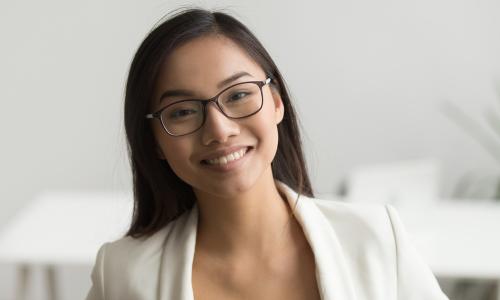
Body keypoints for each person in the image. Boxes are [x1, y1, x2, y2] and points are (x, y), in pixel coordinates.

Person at [86, 8, 449, 300]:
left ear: (276, 103)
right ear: (154, 143)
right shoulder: (122, 273)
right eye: (182, 111)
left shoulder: (376, 240)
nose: (219, 130)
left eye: (238, 95)